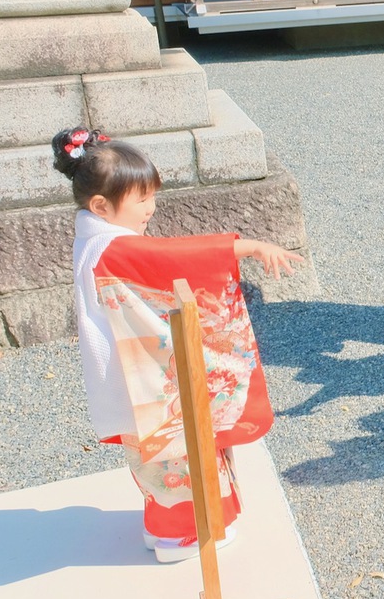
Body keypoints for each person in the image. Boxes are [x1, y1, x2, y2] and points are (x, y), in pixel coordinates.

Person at [57, 127, 302, 563]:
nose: (151, 209)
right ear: (101, 205)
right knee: (175, 451)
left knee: (160, 456)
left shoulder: (94, 237)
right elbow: (173, 258)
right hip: (143, 378)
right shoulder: (110, 246)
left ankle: (164, 526)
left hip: (133, 367)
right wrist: (246, 247)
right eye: (142, 200)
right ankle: (182, 535)